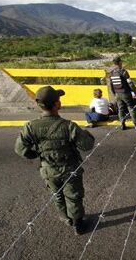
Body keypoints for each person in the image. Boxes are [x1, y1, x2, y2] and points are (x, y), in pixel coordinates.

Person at [14, 86, 95, 235]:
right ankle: (78, 223)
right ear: (56, 104)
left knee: (57, 195)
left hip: (48, 169)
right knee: (73, 196)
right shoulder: (68, 126)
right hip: (69, 168)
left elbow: (20, 149)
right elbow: (87, 145)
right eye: (58, 99)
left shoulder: (30, 127)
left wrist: (37, 155)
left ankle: (66, 219)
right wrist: (86, 133)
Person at [109, 56, 136, 130]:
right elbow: (130, 83)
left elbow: (111, 85)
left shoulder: (111, 73)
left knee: (121, 109)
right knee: (131, 108)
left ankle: (122, 124)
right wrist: (135, 91)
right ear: (120, 62)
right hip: (125, 93)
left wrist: (114, 94)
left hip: (117, 93)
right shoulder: (123, 71)